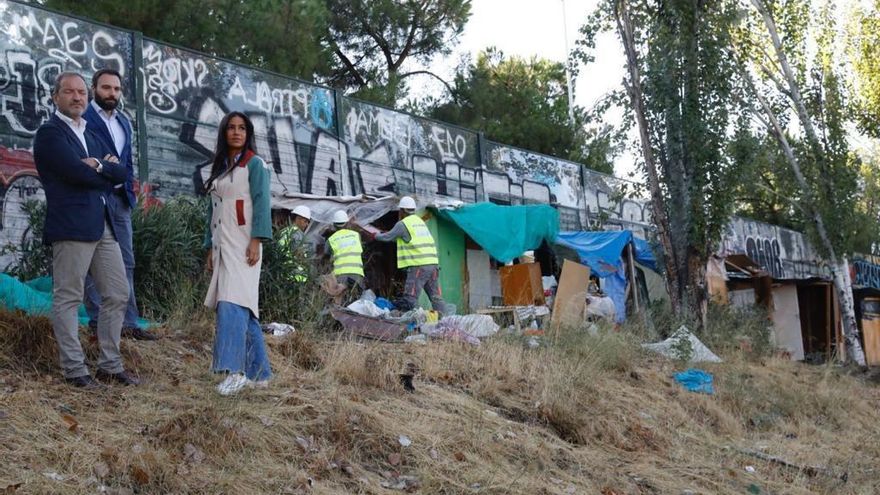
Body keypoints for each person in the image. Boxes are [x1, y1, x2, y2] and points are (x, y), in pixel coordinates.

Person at [33, 71, 138, 388]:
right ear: (56, 97)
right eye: (69, 92)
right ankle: (75, 370)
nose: (77, 97)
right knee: (68, 297)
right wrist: (102, 171)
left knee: (117, 293)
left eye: (81, 92)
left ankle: (110, 366)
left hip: (102, 224)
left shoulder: (91, 133)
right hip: (71, 225)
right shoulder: (50, 134)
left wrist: (100, 165)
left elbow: (121, 172)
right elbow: (76, 174)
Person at [82, 68, 156, 341]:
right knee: (92, 263)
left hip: (120, 201)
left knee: (126, 261)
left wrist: (128, 188)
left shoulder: (124, 121)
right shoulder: (83, 118)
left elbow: (127, 162)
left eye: (116, 89)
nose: (111, 93)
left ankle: (129, 323)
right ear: (94, 89)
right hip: (92, 198)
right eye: (106, 88)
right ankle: (97, 322)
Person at [203, 111, 273, 396]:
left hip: (245, 245)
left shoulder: (254, 164)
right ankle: (259, 373)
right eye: (231, 128)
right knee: (243, 306)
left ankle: (234, 371)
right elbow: (213, 210)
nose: (236, 132)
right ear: (224, 132)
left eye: (242, 128)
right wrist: (209, 247)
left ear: (248, 133)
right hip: (223, 245)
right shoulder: (221, 167)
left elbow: (262, 202)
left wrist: (257, 240)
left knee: (230, 303)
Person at [374, 196, 446, 312]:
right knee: (435, 296)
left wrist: (375, 235)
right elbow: (406, 238)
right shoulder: (419, 222)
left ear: (402, 210)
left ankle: (409, 321)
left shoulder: (403, 224)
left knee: (410, 297)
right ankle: (446, 319)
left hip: (419, 265)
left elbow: (387, 237)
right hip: (433, 265)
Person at [325, 210, 365, 297]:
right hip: (357, 274)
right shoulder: (356, 235)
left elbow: (326, 257)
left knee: (341, 300)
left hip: (340, 275)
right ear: (347, 223)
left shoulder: (331, 240)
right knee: (357, 301)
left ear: (334, 225)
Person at [276, 205, 312, 283]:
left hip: (282, 272)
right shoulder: (298, 234)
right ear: (298, 219)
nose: (307, 225)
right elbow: (299, 254)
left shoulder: (284, 231)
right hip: (295, 275)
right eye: (305, 221)